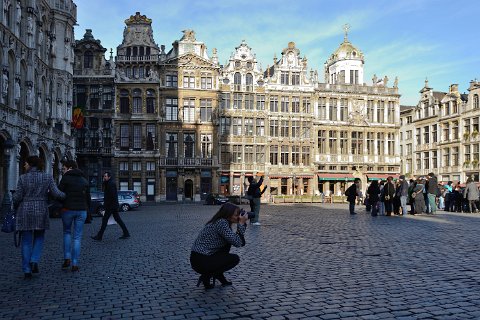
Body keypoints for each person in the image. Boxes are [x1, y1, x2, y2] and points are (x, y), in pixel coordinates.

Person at [12, 156, 65, 279]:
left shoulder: (23, 178)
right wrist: (68, 195)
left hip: (25, 210)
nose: (24, 166)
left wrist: (14, 199)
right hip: (41, 209)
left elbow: (17, 197)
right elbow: (57, 193)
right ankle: (34, 260)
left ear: (30, 164)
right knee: (39, 237)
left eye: (25, 163)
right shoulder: (47, 177)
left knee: (26, 240)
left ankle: (26, 269)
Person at [190, 203, 248, 290]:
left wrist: (241, 224)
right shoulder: (221, 223)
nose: (238, 217)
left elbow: (239, 242)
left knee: (226, 245)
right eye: (236, 215)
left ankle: (217, 275)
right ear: (227, 215)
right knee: (234, 259)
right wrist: (241, 224)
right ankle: (208, 276)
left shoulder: (221, 222)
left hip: (201, 258)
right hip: (200, 260)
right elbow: (237, 242)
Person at [58, 160, 91, 272]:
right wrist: (88, 211)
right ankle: (75, 263)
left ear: (69, 168)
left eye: (64, 168)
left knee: (67, 233)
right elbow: (88, 199)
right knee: (77, 237)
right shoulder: (84, 180)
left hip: (67, 209)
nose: (63, 170)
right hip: (82, 211)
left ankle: (67, 258)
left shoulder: (65, 179)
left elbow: (59, 194)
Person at [91, 171, 130, 241]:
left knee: (105, 220)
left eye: (105, 176)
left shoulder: (111, 184)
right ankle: (126, 233)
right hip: (113, 205)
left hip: (111, 206)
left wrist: (106, 205)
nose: (104, 177)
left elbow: (111, 196)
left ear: (109, 177)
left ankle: (99, 236)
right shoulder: (108, 183)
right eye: (104, 176)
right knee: (117, 219)